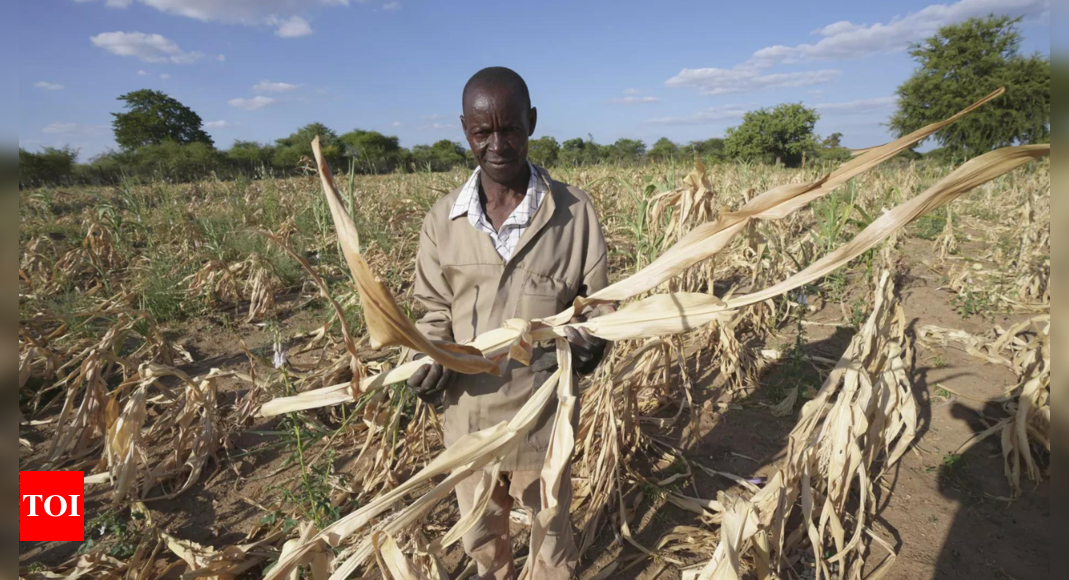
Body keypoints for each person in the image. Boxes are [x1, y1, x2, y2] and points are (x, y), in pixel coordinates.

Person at [406, 66, 610, 580]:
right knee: (482, 539)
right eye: (483, 132)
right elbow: (431, 312)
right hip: (468, 417)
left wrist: (594, 342)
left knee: (552, 536)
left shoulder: (575, 212)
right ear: (465, 131)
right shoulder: (442, 221)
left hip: (543, 414)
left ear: (532, 123)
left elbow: (597, 305)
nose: (497, 144)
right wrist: (427, 358)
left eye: (510, 128)